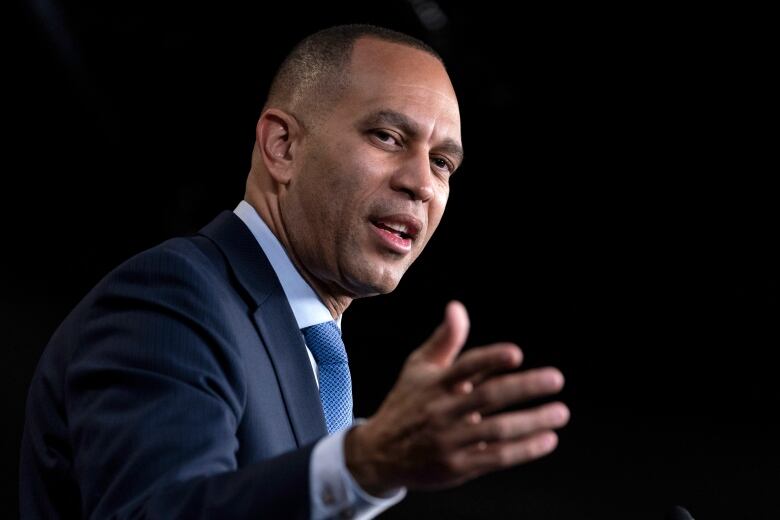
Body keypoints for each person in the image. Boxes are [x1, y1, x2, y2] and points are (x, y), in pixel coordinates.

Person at [20, 24, 570, 519]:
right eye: (387, 137)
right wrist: (363, 465)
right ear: (282, 146)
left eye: (442, 162)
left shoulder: (307, 344)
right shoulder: (171, 297)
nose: (422, 184)